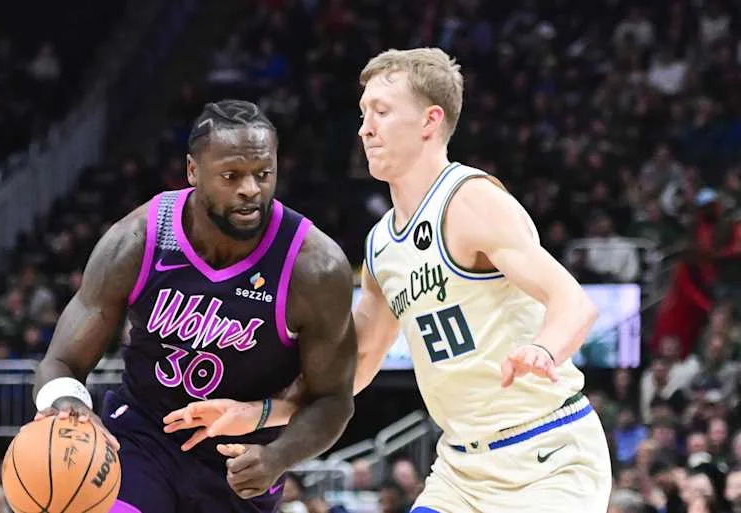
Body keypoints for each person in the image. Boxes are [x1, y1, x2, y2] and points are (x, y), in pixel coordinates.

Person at [164, 49, 613, 512]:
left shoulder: (471, 201)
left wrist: (544, 349)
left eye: (381, 111)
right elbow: (353, 365)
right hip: (462, 469)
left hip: (546, 455)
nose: (364, 128)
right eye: (363, 114)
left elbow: (573, 303)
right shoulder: (381, 245)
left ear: (429, 121)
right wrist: (260, 412)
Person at [32, 100, 358, 512]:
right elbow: (60, 361)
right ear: (192, 171)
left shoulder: (314, 267)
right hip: (140, 436)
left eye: (263, 174)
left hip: (239, 461)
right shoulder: (138, 239)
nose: (251, 189)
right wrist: (69, 406)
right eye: (231, 176)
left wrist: (279, 457)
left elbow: (334, 400)